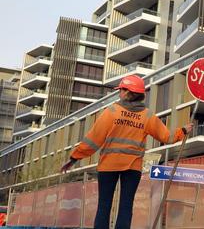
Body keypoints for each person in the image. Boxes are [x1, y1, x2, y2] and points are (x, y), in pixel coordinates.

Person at [60, 75, 193, 229]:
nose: (119, 93)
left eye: (121, 90)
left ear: (128, 92)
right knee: (125, 207)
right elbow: (167, 137)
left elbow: (93, 140)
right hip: (132, 168)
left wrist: (74, 157)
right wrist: (182, 131)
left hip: (108, 166)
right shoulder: (147, 116)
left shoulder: (111, 112)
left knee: (104, 206)